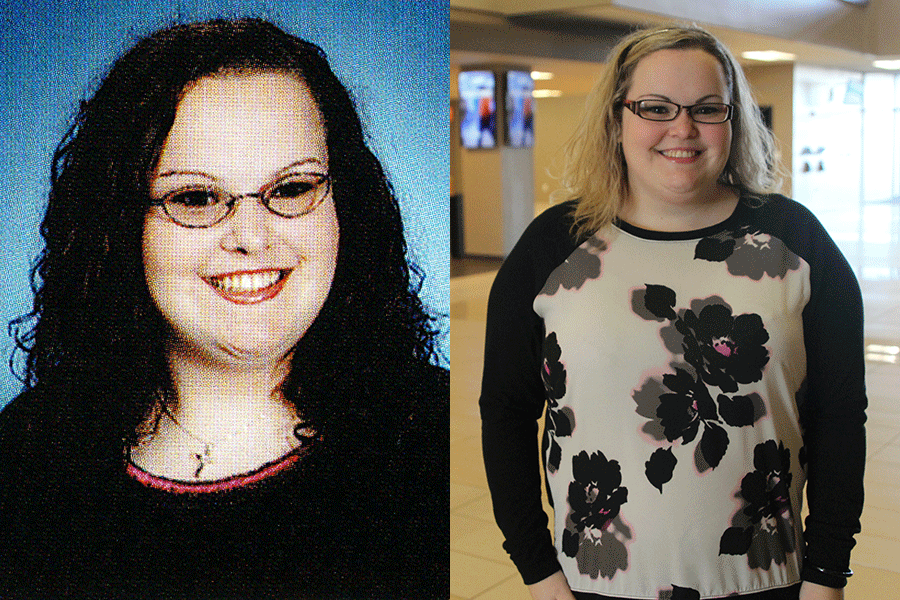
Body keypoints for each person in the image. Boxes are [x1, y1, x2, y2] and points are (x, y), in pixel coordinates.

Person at [0, 18, 448, 599]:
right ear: (116, 225)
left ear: (346, 207)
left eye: (292, 189)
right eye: (195, 197)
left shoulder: (432, 437)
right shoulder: (29, 459)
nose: (253, 238)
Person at [480, 25, 865, 600]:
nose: (682, 129)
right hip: (594, 585)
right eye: (655, 107)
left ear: (733, 121)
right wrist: (538, 572)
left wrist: (828, 573)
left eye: (708, 109)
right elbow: (505, 414)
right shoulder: (555, 245)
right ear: (617, 119)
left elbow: (839, 419)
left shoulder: (794, 241)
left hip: (765, 580)